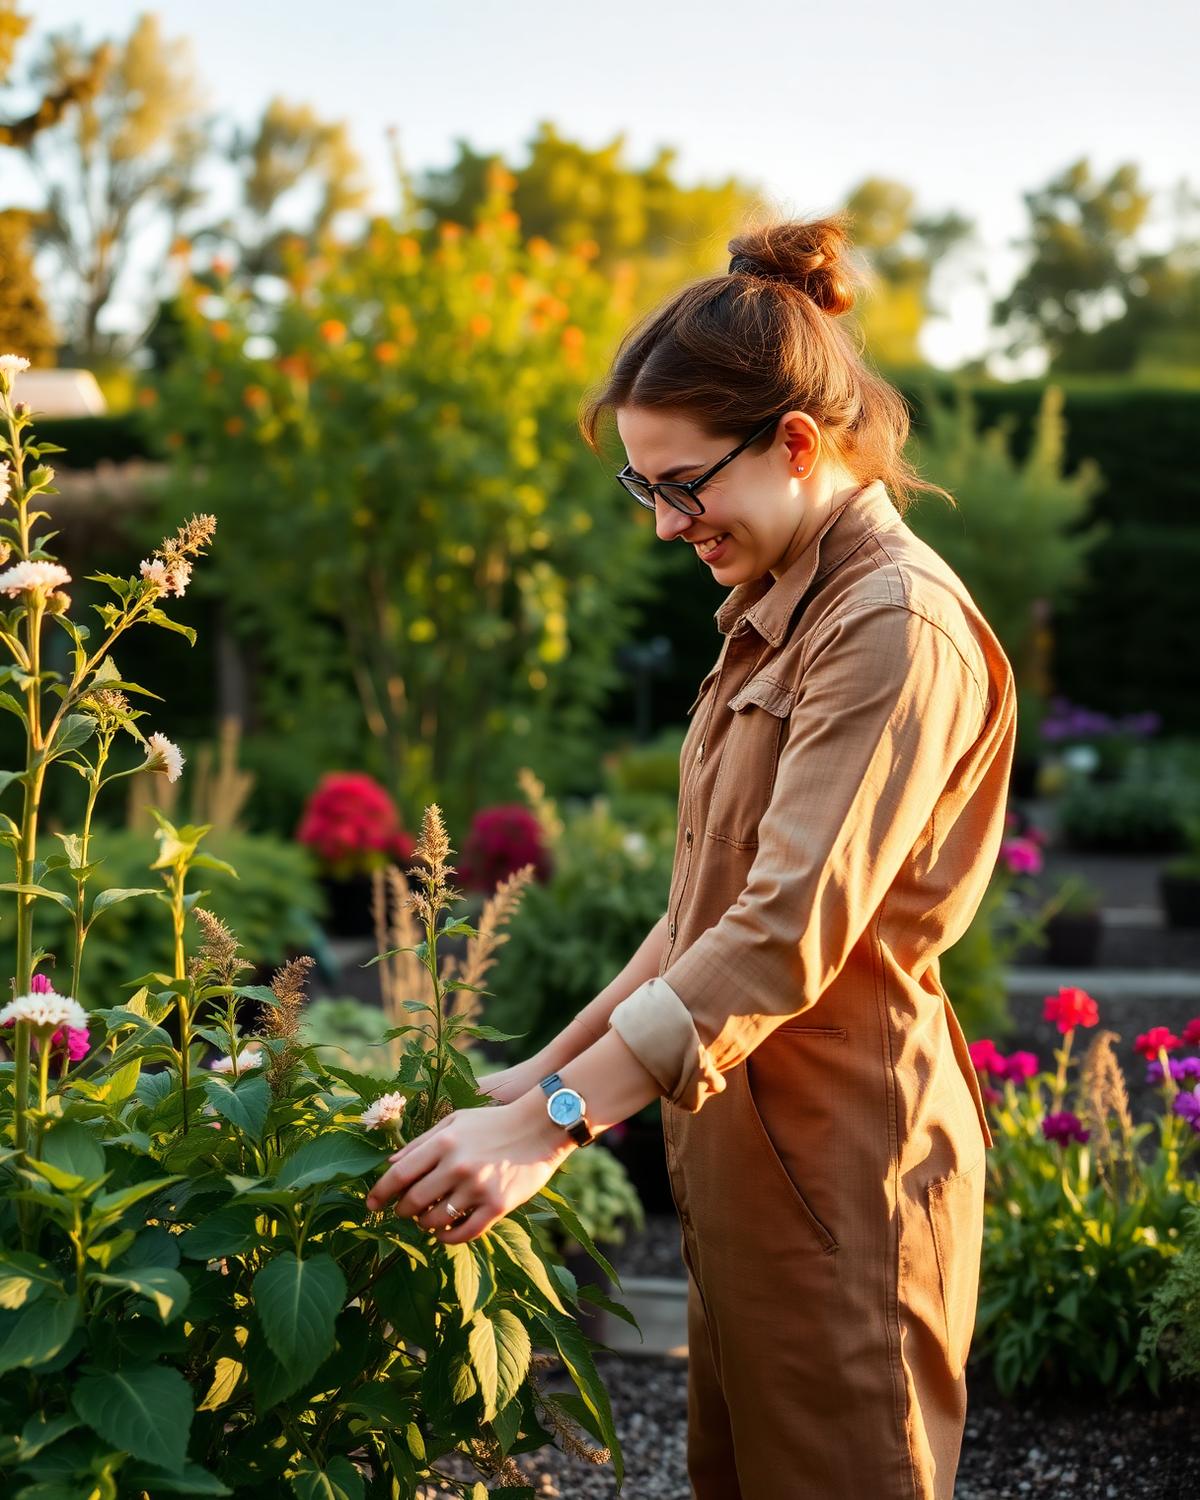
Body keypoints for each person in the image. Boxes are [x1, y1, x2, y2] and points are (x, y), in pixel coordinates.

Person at [366, 213, 1017, 1499]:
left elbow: (781, 935)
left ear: (793, 442)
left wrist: (556, 1125)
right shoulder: (777, 614)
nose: (664, 525)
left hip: (849, 1180)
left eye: (681, 485)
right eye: (643, 488)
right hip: (746, 1160)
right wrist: (533, 1079)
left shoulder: (889, 626)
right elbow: (701, 914)